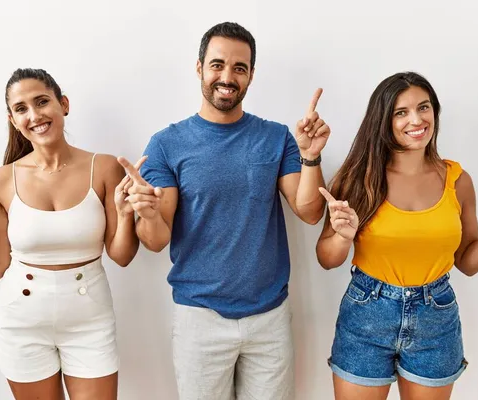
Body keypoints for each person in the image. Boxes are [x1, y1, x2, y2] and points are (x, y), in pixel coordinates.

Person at [118, 22, 330, 400]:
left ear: (251, 74)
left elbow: (310, 212)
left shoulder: (276, 136)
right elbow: (154, 241)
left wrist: (310, 157)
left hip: (269, 316)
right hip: (199, 318)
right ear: (199, 67)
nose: (227, 77)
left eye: (239, 68)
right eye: (217, 65)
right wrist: (148, 215)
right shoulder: (167, 144)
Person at [316, 71, 478, 400]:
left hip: (436, 316)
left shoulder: (457, 180)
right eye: (401, 112)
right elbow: (327, 259)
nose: (416, 120)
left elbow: (468, 263)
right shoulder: (357, 178)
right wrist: (344, 237)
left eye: (424, 107)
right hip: (367, 314)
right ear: (383, 120)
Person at [0, 68, 139, 400]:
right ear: (13, 120)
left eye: (42, 102)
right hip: (21, 320)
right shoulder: (0, 180)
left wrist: (127, 215)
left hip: (90, 320)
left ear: (64, 104)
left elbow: (122, 255)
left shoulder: (104, 168)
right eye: (21, 108)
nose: (34, 115)